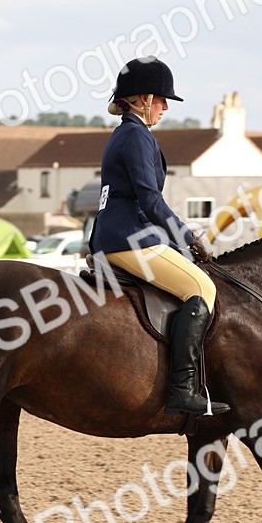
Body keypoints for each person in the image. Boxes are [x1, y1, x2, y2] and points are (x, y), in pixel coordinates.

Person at [89, 56, 229, 417]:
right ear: (144, 99)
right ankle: (182, 389)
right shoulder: (136, 135)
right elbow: (150, 199)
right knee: (202, 288)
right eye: (163, 100)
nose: (166, 108)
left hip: (118, 234)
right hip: (129, 238)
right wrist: (188, 237)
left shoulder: (127, 133)